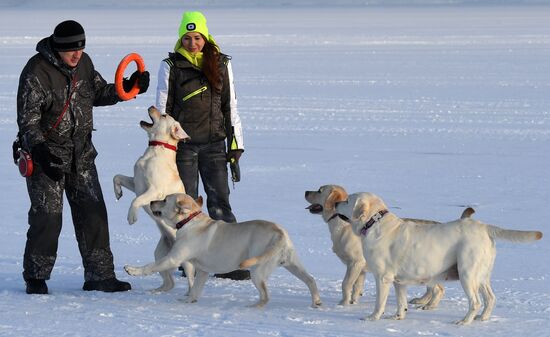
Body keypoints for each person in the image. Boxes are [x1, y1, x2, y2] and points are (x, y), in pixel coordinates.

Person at [16, 20, 150, 294]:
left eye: (81, 48)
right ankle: (36, 276)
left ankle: (100, 276)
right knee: (48, 217)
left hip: (82, 155)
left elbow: (98, 92)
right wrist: (40, 151)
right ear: (57, 47)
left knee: (94, 214)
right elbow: (28, 121)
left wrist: (129, 86)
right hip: (47, 157)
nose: (77, 55)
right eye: (71, 50)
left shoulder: (84, 64)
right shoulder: (36, 71)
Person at [155, 11, 248, 280]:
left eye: (197, 38)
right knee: (184, 206)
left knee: (220, 203)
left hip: (215, 144)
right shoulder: (171, 66)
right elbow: (162, 110)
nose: (192, 43)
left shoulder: (221, 64)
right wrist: (162, 147)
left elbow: (230, 107)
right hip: (182, 147)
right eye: (187, 38)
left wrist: (236, 145)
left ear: (205, 38)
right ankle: (189, 262)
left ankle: (229, 262)